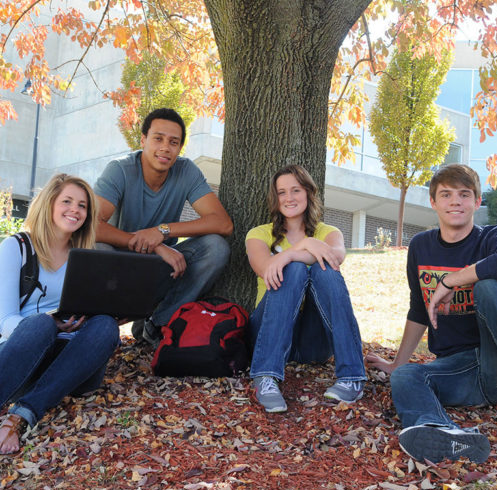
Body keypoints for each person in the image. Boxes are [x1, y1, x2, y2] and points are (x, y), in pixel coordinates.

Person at [366, 164, 497, 464]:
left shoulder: (489, 238)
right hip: (464, 373)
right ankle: (445, 433)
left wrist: (452, 280)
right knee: (406, 376)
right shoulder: (421, 246)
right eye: (446, 194)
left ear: (477, 202)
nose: (455, 201)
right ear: (433, 202)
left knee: (488, 288)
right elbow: (418, 308)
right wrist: (396, 363)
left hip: (494, 352)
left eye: (464, 195)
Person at [0, 174, 119, 454]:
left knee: (105, 326)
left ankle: (22, 415)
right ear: (49, 204)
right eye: (67, 201)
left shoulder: (84, 256)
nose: (75, 210)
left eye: (82, 206)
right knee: (40, 324)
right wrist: (51, 325)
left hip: (69, 365)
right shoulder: (15, 247)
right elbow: (4, 322)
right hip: (21, 355)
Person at [94, 108, 233, 346]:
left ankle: (157, 323)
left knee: (216, 247)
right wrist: (154, 244)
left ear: (179, 148)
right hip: (121, 267)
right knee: (96, 247)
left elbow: (222, 223)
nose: (165, 147)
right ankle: (100, 330)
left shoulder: (186, 171)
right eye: (158, 138)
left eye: (173, 142)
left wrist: (162, 231)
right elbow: (92, 226)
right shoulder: (120, 170)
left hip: (163, 270)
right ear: (143, 140)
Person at [246, 164, 366, 413]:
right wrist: (303, 250)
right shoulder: (258, 234)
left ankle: (352, 376)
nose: (289, 198)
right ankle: (265, 377)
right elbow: (267, 268)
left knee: (325, 270)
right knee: (296, 269)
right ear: (275, 198)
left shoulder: (328, 232)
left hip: (313, 341)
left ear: (308, 193)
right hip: (269, 329)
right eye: (281, 192)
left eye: (296, 190)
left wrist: (293, 252)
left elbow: (335, 257)